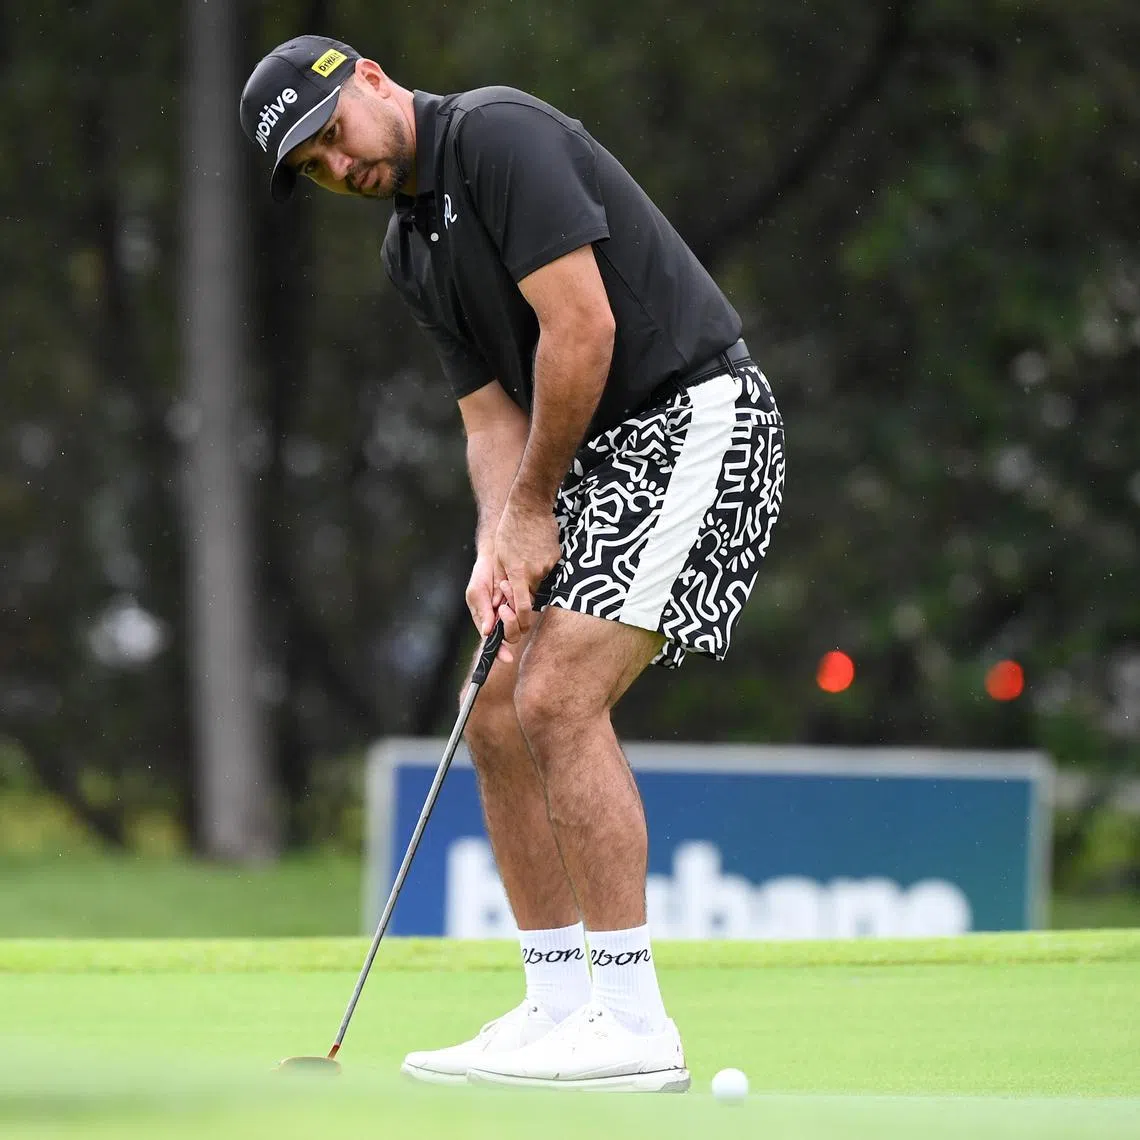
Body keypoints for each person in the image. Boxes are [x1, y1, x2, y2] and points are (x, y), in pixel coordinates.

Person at [240, 34, 784, 1093]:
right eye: (313, 168)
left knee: (559, 693)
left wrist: (535, 509)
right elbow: (490, 417)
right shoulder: (409, 249)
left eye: (331, 136)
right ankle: (554, 1006)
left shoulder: (496, 135)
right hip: (602, 457)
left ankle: (632, 1022)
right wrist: (499, 541)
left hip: (700, 420)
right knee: (492, 706)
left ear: (371, 81)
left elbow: (579, 331)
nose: (338, 167)